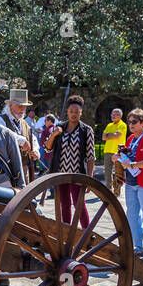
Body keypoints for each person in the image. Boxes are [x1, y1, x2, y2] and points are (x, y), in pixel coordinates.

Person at [44, 94, 95, 227]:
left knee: (80, 205)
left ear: (81, 113)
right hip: (60, 173)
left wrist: (90, 178)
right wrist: (54, 134)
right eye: (71, 111)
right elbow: (48, 148)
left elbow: (90, 156)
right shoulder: (60, 127)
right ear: (67, 111)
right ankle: (67, 234)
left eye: (77, 112)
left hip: (77, 174)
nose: (73, 114)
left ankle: (86, 233)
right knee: (64, 205)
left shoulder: (86, 130)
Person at [115, 108, 143, 260]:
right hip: (131, 183)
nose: (130, 125)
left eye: (134, 122)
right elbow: (126, 158)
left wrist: (133, 165)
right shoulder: (130, 139)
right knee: (132, 216)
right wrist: (118, 157)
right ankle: (138, 246)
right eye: (129, 122)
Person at [0, 89, 41, 180]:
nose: (22, 109)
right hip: (6, 170)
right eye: (19, 106)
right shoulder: (0, 120)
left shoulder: (25, 123)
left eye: (24, 106)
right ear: (10, 106)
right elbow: (2, 132)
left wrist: (36, 151)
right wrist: (21, 140)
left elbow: (32, 139)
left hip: (24, 168)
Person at [101, 106, 127, 196]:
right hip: (107, 151)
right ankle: (108, 191)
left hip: (118, 152)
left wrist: (108, 135)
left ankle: (116, 193)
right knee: (107, 173)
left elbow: (117, 135)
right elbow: (103, 137)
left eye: (116, 114)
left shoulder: (122, 125)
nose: (113, 115)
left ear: (120, 116)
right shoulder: (109, 125)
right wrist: (111, 135)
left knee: (118, 173)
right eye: (113, 114)